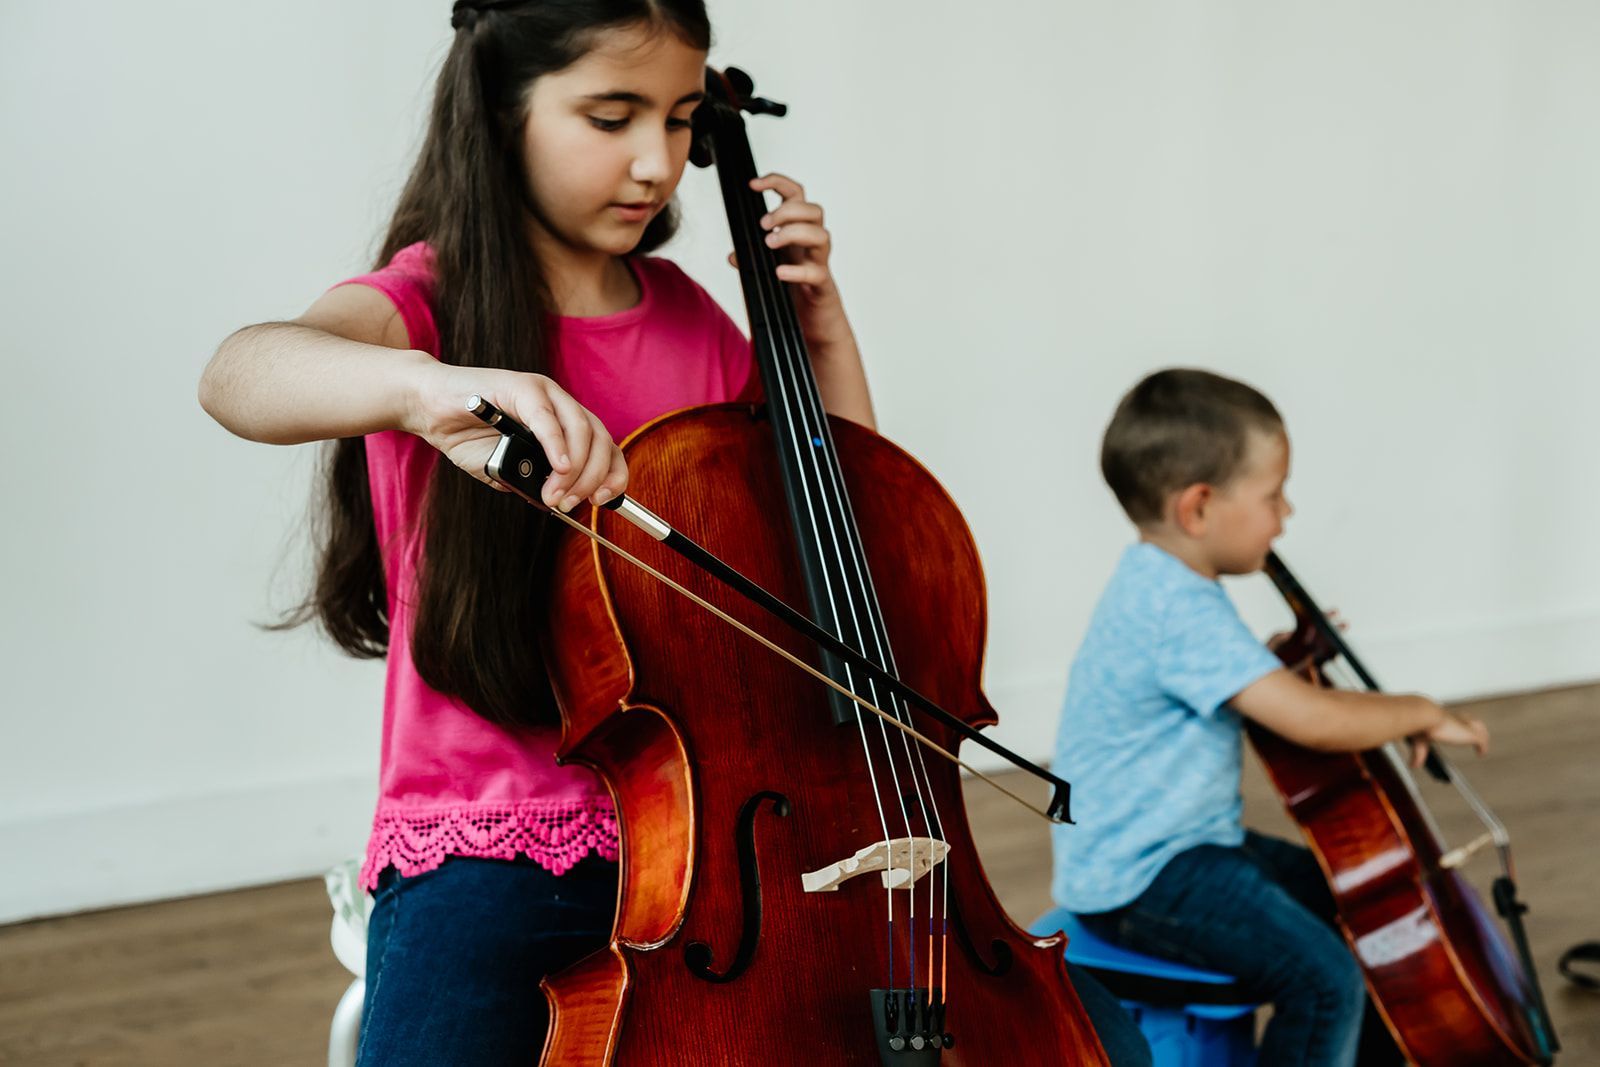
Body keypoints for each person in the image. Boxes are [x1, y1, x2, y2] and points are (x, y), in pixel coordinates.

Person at [198, 1, 872, 1060]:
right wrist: (423, 389)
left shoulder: (695, 317)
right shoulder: (424, 300)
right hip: (490, 844)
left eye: (684, 120)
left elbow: (847, 529)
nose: (656, 161)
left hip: (713, 838)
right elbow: (239, 376)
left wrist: (818, 329)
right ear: (501, 112)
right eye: (611, 116)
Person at [1050, 367, 1490, 1066]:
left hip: (1182, 846)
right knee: (1324, 979)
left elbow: (1241, 682)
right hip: (1144, 876)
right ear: (1198, 507)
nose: (1286, 514)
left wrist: (1275, 664)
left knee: (1361, 917)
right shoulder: (1177, 607)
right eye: (1273, 494)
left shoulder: (1160, 583)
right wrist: (1418, 710)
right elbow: (1309, 720)